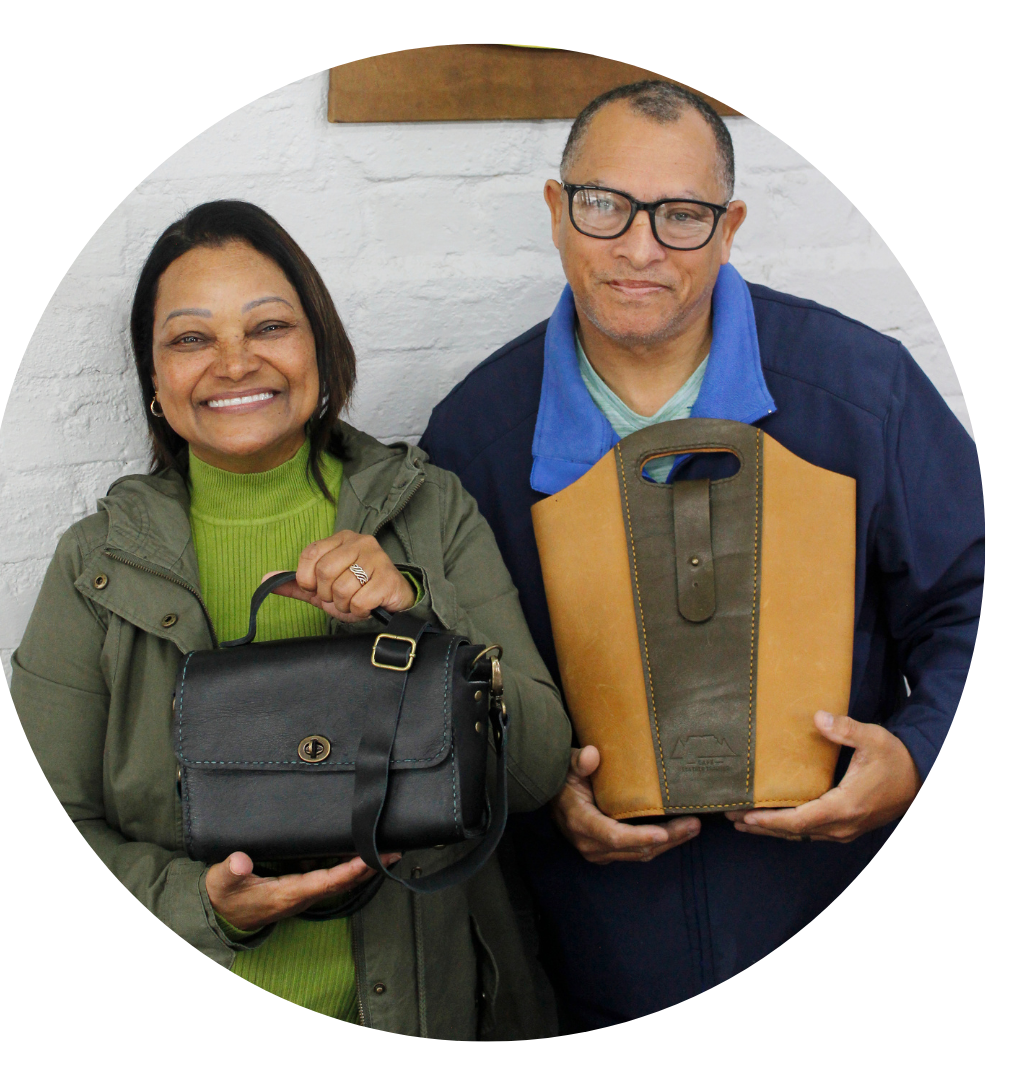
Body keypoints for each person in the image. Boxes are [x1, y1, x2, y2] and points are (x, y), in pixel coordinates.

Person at [419, 82, 984, 1028]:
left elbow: (967, 601)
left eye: (681, 215)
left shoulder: (862, 392)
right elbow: (458, 687)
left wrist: (918, 755)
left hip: (823, 886)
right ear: (557, 213)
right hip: (601, 962)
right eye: (605, 205)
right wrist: (543, 785)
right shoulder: (476, 435)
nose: (640, 248)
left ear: (730, 228)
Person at [11, 200, 572, 1039]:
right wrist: (206, 907)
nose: (234, 364)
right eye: (191, 338)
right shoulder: (95, 564)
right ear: (155, 384)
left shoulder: (428, 509)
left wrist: (415, 613)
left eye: (268, 326)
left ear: (321, 349)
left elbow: (534, 772)